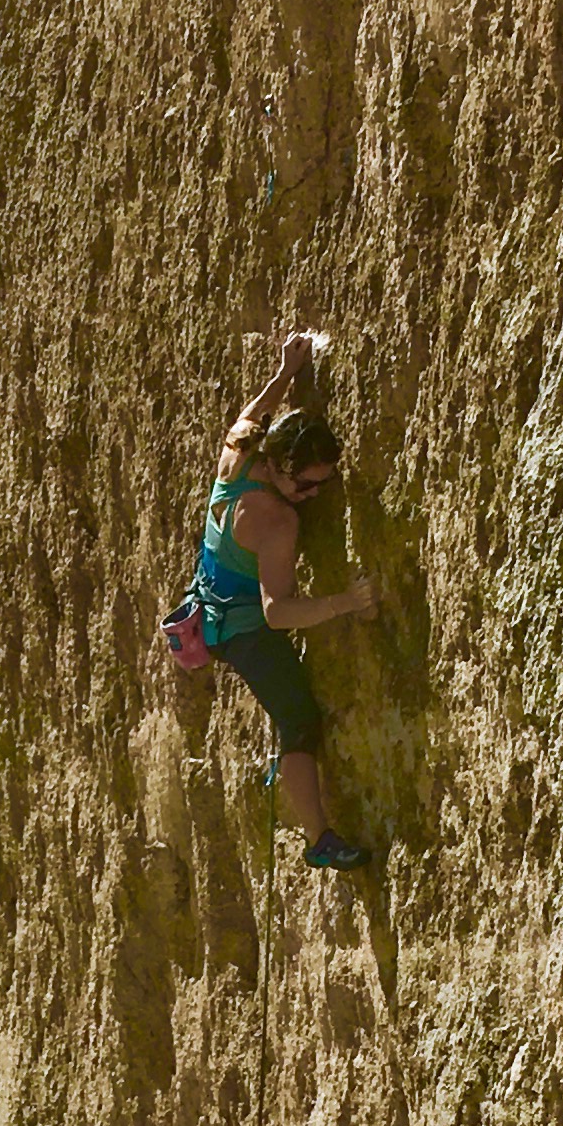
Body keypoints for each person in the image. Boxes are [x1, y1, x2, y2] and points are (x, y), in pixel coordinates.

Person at [192, 331, 380, 867]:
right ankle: (319, 841)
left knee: (287, 706)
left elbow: (249, 416)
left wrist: (286, 372)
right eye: (309, 484)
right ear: (282, 468)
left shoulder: (242, 453)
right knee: (299, 720)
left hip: (209, 603)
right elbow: (277, 613)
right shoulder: (277, 520)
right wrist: (347, 601)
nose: (314, 494)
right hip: (242, 630)